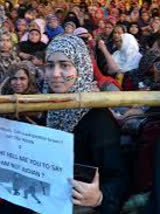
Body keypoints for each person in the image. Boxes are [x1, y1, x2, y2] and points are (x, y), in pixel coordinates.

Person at [44, 35, 127, 213]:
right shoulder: (48, 107)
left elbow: (116, 177)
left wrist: (100, 197)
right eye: (50, 65)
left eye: (65, 65)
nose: (55, 74)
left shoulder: (98, 118)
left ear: (81, 67)